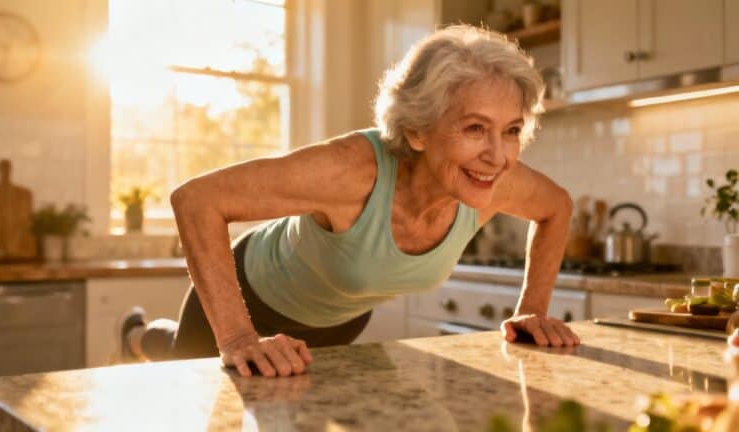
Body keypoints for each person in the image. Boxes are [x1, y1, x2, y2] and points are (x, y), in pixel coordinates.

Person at [117, 24, 580, 378]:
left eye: (512, 130)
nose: (497, 156)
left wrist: (533, 309)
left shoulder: (490, 179)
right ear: (417, 130)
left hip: (338, 326)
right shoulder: (352, 171)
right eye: (475, 128)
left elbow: (556, 207)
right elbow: (196, 200)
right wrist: (239, 337)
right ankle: (138, 336)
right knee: (192, 375)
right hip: (248, 302)